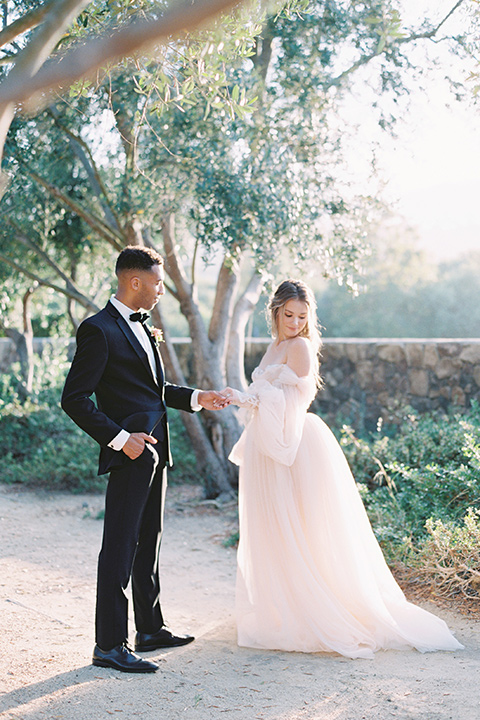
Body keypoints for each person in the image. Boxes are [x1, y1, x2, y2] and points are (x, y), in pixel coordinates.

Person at [222, 279, 463, 659]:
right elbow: (268, 397)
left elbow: (295, 400)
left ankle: (315, 610)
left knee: (302, 527)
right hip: (267, 446)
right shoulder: (276, 345)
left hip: (295, 445)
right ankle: (285, 606)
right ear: (275, 312)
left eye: (302, 316)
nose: (296, 323)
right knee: (276, 528)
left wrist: (250, 396)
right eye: (288, 315)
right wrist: (245, 398)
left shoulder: (300, 346)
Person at [61, 245, 229, 673]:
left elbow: (153, 389)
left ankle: (149, 629)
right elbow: (74, 399)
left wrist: (197, 398)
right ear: (134, 281)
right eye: (156, 282)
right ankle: (109, 645)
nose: (160, 291)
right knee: (119, 545)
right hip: (130, 454)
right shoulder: (97, 330)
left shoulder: (144, 326)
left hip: (157, 453)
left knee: (148, 541)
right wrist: (119, 439)